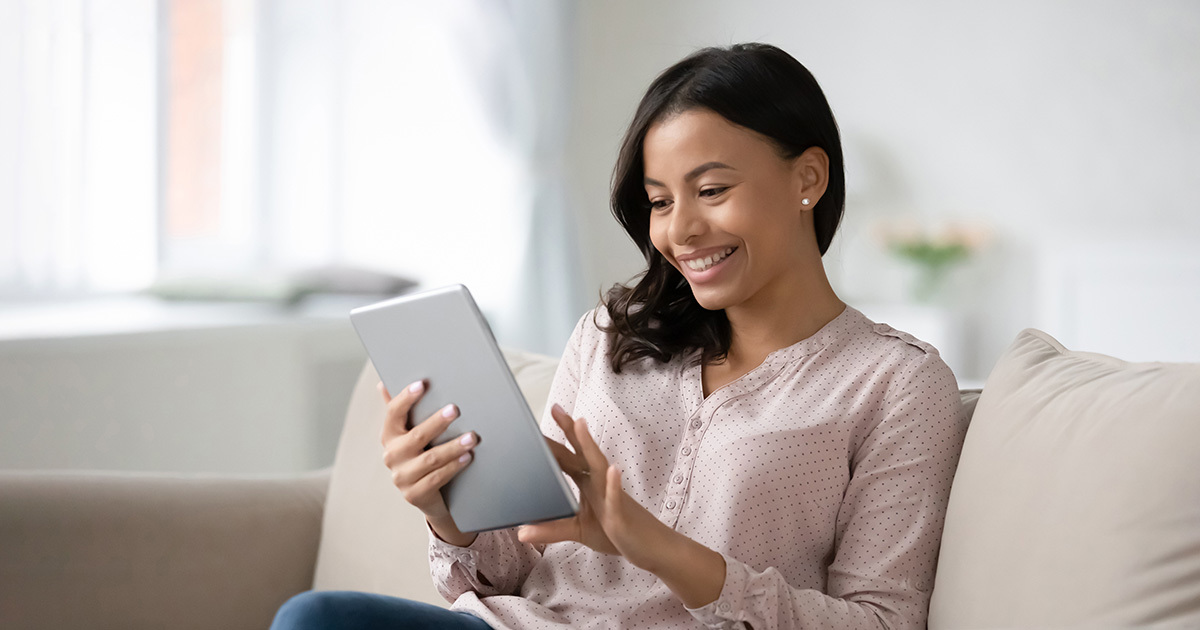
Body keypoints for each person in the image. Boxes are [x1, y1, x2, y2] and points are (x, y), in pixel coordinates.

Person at [272, 42, 968, 630]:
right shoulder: (611, 337)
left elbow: (880, 621)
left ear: (807, 178)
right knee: (318, 618)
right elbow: (504, 569)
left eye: (712, 190)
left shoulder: (896, 384)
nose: (679, 231)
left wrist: (659, 549)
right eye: (660, 202)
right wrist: (447, 511)